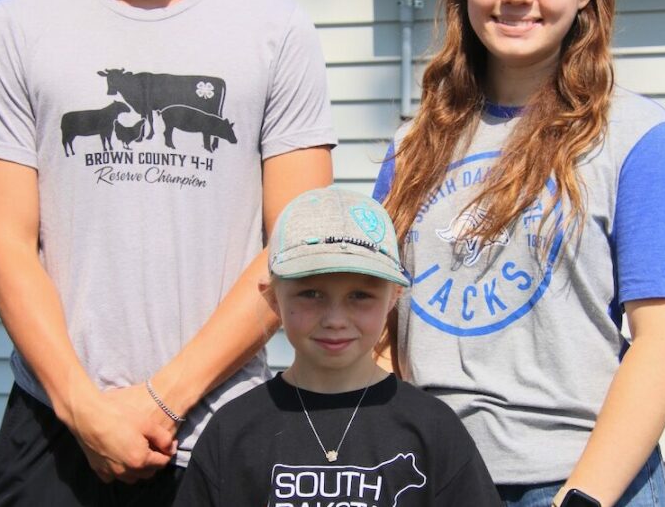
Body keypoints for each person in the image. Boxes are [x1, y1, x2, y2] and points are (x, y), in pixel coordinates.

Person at [0, 0, 336, 504]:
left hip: (225, 426)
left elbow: (297, 246)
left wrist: (165, 398)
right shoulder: (17, 31)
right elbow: (3, 247)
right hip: (53, 428)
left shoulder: (277, 34)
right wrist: (84, 407)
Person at [373, 0, 665, 507]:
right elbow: (381, 327)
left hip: (582, 482)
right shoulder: (412, 145)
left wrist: (583, 498)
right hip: (435, 480)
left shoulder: (637, 137)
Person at [173, 186, 502, 506]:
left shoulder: (432, 428)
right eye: (311, 294)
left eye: (360, 296)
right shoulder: (232, 431)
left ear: (393, 299)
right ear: (272, 298)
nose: (335, 319)